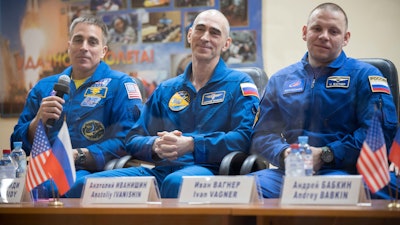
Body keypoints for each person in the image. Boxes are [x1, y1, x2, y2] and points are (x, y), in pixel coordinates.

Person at [65, 9, 260, 198]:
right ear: (190, 35)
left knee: (175, 183)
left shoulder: (239, 84)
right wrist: (155, 146)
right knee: (84, 186)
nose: (205, 37)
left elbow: (244, 137)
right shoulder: (167, 89)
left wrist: (192, 144)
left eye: (214, 33)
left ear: (226, 44)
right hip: (161, 172)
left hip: (212, 172)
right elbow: (133, 138)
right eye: (200, 29)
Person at [249, 2, 398, 199]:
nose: (324, 36)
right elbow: (262, 135)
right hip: (289, 174)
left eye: (333, 31)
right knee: (241, 190)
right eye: (317, 28)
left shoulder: (366, 76)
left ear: (346, 38)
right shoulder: (281, 80)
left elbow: (378, 133)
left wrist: (327, 154)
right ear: (304, 32)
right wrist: (284, 154)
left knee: (352, 193)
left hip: (345, 171)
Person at [10, 15, 143, 196]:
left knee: (59, 188)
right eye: (78, 40)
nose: (84, 47)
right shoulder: (44, 87)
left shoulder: (120, 85)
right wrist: (37, 121)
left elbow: (129, 140)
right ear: (69, 46)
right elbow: (17, 144)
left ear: (103, 50)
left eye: (92, 42)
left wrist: (79, 155)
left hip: (91, 171)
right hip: (42, 170)